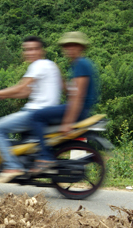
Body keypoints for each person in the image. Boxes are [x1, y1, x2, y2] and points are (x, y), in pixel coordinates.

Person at [0, 36, 61, 183]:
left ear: (42, 51)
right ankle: (22, 162)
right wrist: (1, 96)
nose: (30, 52)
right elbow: (25, 92)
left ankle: (12, 166)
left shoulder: (38, 65)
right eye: (27, 49)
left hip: (35, 113)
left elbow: (21, 87)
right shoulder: (50, 65)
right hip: (44, 112)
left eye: (34, 49)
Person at [29, 31, 99, 173]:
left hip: (79, 110)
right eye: (67, 46)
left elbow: (78, 97)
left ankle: (45, 156)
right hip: (78, 108)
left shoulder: (81, 64)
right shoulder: (77, 65)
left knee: (37, 116)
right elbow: (72, 91)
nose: (69, 49)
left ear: (81, 48)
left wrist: (68, 122)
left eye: (73, 46)